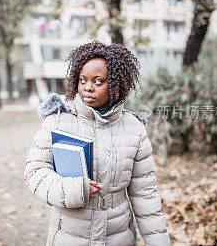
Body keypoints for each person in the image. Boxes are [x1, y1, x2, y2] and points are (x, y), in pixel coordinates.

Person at [24, 41, 170, 245]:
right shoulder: (57, 120)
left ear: (117, 84)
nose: (88, 88)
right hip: (69, 237)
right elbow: (35, 173)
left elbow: (145, 195)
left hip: (118, 237)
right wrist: (75, 190)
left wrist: (159, 242)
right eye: (82, 80)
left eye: (98, 82)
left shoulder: (134, 129)